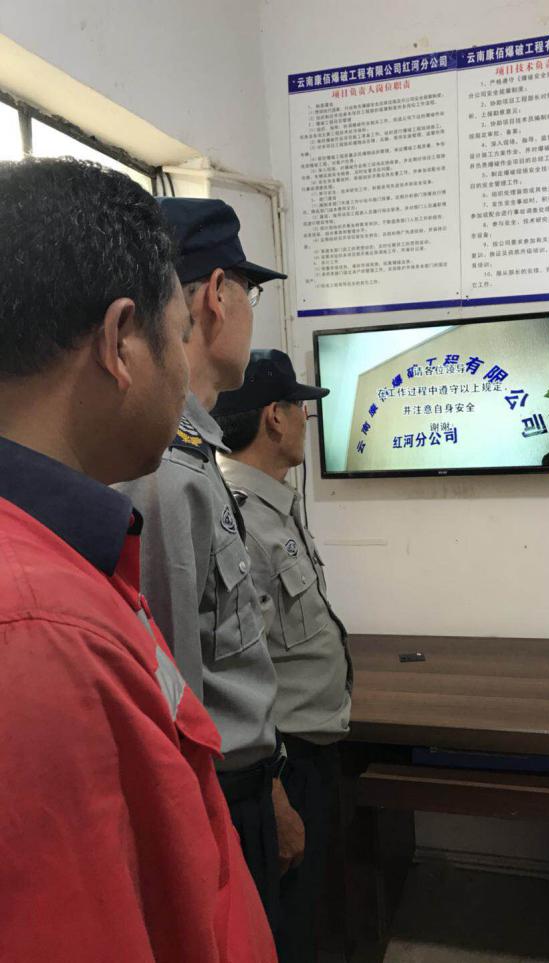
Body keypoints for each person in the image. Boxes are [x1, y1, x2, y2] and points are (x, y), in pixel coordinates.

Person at [0, 158, 275, 963]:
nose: (186, 367)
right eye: (179, 334)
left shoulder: (71, 554)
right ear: (123, 341)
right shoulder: (41, 633)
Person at [117, 198, 303, 946]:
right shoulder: (165, 473)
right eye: (251, 293)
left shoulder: (196, 455)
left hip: (246, 784)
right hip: (219, 800)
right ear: (217, 295)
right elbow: (176, 708)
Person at [212, 350, 353, 963]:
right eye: (300, 408)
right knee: (288, 927)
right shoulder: (237, 520)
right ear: (275, 416)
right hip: (284, 764)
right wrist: (273, 795)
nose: (304, 421)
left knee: (310, 908)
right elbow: (233, 675)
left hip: (312, 748)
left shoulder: (276, 502)